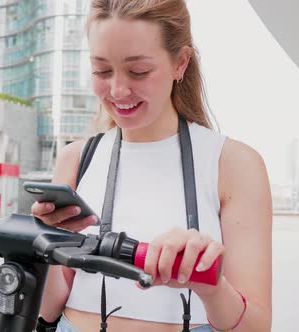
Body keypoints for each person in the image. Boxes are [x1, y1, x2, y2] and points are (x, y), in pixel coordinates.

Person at [31, 1, 272, 331]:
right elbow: (49, 308)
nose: (117, 90)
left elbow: (256, 326)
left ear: (180, 63)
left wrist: (211, 286)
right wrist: (43, 245)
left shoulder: (233, 164)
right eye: (102, 70)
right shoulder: (77, 159)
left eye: (138, 71)